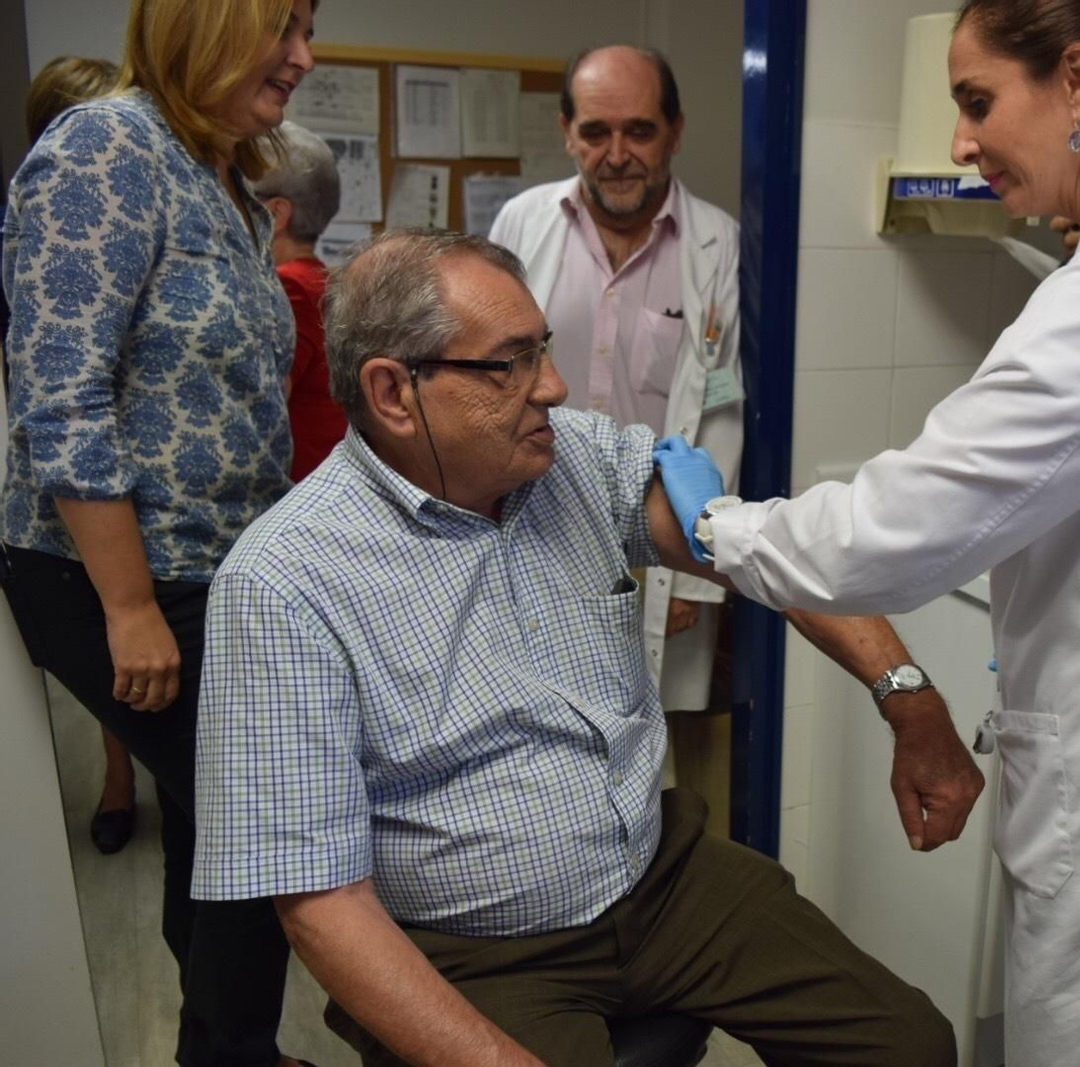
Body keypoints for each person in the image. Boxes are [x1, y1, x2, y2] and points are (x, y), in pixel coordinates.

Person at [654, 0, 1080, 1063]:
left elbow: (899, 526)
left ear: (1076, 83)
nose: (962, 142)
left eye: (977, 102)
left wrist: (716, 523)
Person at [191, 228, 985, 1067]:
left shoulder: (570, 460)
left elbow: (764, 554)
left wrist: (910, 697)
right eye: (509, 365)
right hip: (476, 944)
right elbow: (320, 902)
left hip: (658, 876)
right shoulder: (284, 584)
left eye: (544, 349)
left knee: (910, 1046)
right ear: (393, 392)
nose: (555, 388)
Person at [0, 1, 316, 1064]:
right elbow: (62, 393)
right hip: (117, 568)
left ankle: (218, 1046)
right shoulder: (104, 148)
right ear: (211, 23)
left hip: (219, 562)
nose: (303, 57)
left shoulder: (223, 176)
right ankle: (235, 1050)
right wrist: (129, 605)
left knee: (217, 823)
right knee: (261, 809)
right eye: (284, 27)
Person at [489, 46, 736, 727]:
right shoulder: (520, 224)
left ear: (675, 133)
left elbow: (721, 407)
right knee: (536, 720)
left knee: (651, 729)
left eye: (640, 130)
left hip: (659, 530)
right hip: (533, 518)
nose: (617, 153)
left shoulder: (720, 246)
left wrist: (691, 568)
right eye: (595, 132)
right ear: (567, 131)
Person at [13, 53, 148, 856]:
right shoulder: (58, 199)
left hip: (142, 485)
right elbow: (60, 387)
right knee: (116, 655)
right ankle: (119, 779)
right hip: (74, 499)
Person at [255, 119, 346, 481]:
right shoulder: (319, 279)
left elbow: (264, 408)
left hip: (295, 484)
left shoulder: (288, 287)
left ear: (276, 213)